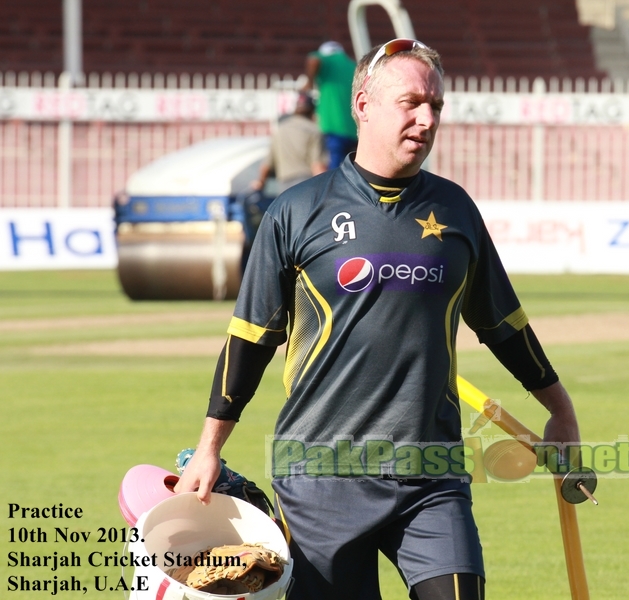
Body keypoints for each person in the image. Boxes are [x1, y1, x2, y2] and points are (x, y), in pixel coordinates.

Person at [175, 39, 580, 600]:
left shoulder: (456, 210)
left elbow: (503, 324)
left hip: (431, 476)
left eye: (435, 106)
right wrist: (209, 446)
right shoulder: (296, 211)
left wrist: (560, 409)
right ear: (362, 105)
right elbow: (250, 338)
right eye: (411, 102)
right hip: (319, 478)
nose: (426, 118)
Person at [251, 91, 328, 195]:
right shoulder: (313, 131)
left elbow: (267, 165)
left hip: (284, 185)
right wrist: (326, 190)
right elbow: (317, 166)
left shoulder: (280, 130)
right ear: (312, 111)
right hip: (306, 184)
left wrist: (260, 182)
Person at [303, 41, 359, 169]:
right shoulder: (353, 65)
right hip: (353, 130)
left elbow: (313, 60)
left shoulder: (327, 60)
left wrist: (310, 82)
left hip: (332, 127)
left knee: (332, 172)